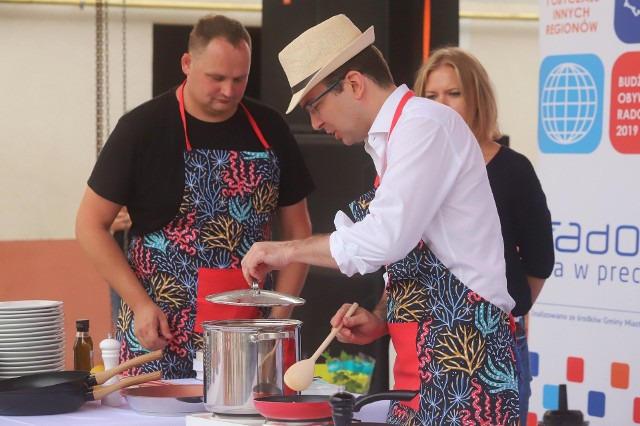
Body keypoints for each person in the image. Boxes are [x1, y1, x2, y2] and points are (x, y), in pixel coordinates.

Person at [241, 15, 520, 425]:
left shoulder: (425, 126)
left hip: (466, 356)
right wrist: (381, 317)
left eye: (315, 105)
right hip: (420, 360)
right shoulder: (395, 141)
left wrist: (285, 251)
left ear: (354, 84)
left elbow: (382, 241)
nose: (315, 122)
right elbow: (418, 254)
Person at [75, 14, 314, 379]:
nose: (229, 91)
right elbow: (89, 225)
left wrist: (279, 320)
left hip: (247, 328)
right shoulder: (142, 128)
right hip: (158, 325)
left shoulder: (270, 127)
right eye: (216, 78)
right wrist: (139, 304)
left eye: (240, 79)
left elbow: (299, 229)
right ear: (187, 64)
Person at [414, 46, 555, 425]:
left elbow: (540, 258)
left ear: (477, 98)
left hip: (500, 344)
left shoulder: (512, 169)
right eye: (431, 96)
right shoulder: (413, 169)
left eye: (453, 93)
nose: (441, 104)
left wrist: (504, 310)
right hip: (430, 346)